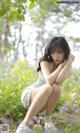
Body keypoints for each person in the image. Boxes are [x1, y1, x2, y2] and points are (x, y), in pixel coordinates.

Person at [16, 36, 75, 133]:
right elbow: (49, 81)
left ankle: (47, 119)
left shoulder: (68, 69)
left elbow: (58, 81)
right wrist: (61, 66)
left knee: (56, 88)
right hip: (31, 95)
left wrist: (67, 64)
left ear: (65, 53)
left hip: (46, 100)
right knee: (48, 87)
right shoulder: (45, 62)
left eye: (59, 52)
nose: (56, 56)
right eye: (53, 52)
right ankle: (24, 125)